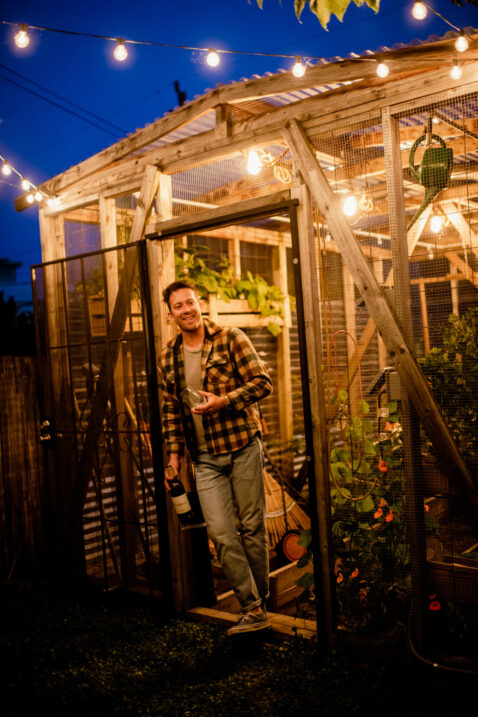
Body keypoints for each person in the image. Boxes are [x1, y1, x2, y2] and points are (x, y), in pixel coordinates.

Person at [158, 279, 273, 635]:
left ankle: (260, 603)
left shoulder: (231, 338)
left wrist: (225, 401)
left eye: (191, 302)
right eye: (179, 306)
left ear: (200, 304)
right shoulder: (168, 358)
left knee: (252, 526)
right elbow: (171, 413)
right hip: (204, 458)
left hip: (241, 445)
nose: (187, 310)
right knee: (222, 533)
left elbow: (262, 383)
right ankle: (252, 607)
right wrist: (174, 460)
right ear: (170, 314)